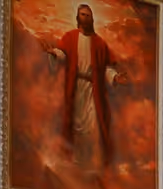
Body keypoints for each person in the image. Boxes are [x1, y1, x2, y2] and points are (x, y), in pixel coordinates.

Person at [44, 4, 129, 175]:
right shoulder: (70, 37)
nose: (86, 18)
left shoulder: (99, 43)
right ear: (78, 18)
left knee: (93, 125)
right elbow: (63, 54)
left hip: (92, 89)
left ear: (92, 19)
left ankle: (92, 166)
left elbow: (105, 68)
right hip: (75, 88)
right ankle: (76, 164)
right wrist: (54, 53)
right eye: (83, 15)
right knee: (75, 124)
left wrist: (115, 77)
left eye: (88, 15)